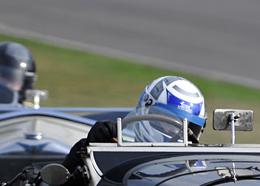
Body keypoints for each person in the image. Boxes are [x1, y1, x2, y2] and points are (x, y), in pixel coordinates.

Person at [61, 75, 207, 179]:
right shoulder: (119, 155)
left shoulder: (202, 170)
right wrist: (88, 147)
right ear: (146, 111)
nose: (176, 131)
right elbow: (65, 184)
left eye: (188, 126)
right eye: (169, 121)